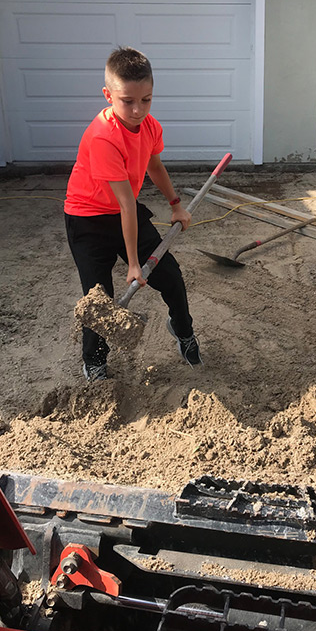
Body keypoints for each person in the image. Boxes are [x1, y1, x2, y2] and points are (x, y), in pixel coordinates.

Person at [64, 46, 202, 381]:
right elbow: (126, 203)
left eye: (147, 100)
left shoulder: (151, 126)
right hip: (88, 219)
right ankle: (94, 360)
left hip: (124, 212)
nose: (138, 110)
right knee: (99, 296)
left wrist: (175, 205)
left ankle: (183, 332)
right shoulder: (103, 137)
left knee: (170, 275)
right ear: (108, 94)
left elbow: (154, 165)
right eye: (127, 101)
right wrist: (134, 264)